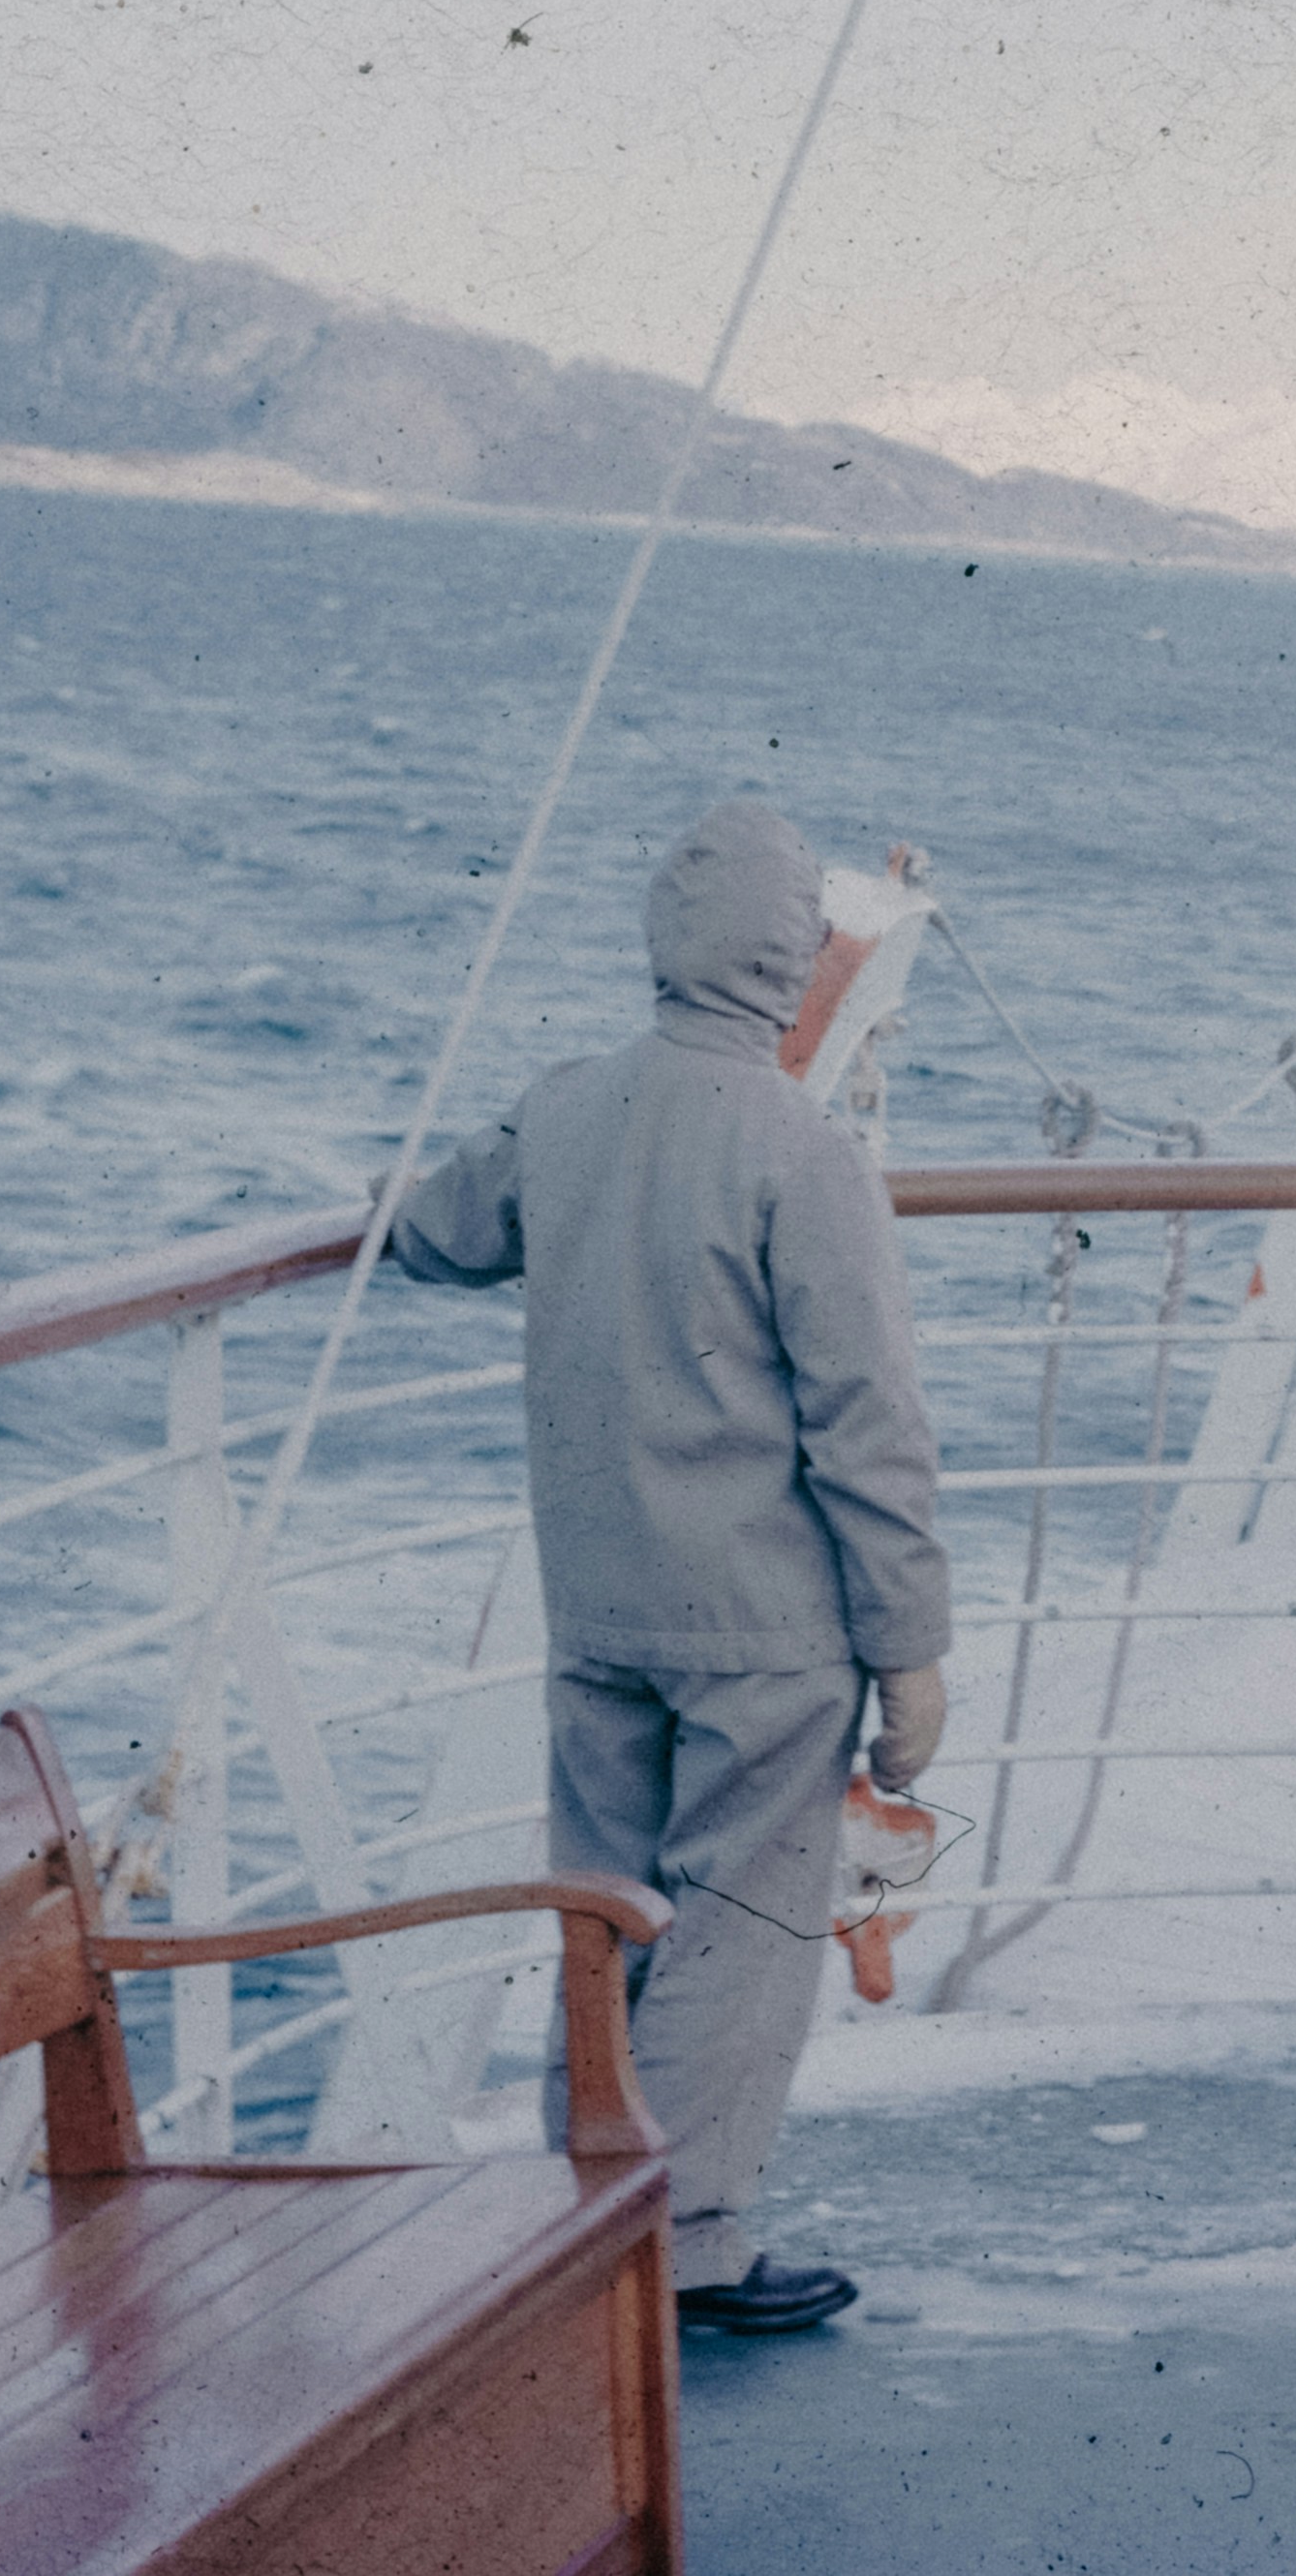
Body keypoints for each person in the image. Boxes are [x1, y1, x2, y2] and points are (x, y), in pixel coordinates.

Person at [387, 798, 952, 2336]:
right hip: (762, 1626)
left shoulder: (566, 1108)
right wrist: (911, 1649)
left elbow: (432, 1230)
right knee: (740, 1931)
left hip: (601, 1611)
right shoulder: (802, 1150)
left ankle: (592, 2213)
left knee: (607, 1907)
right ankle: (686, 2245)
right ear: (790, 962)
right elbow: (868, 1426)